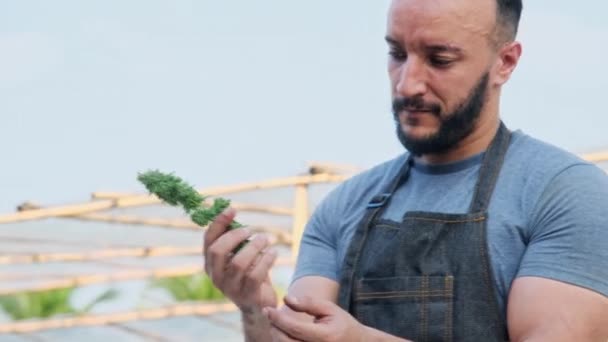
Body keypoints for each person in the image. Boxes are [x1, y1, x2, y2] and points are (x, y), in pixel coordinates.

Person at [203, 0, 608, 340]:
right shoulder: (343, 207)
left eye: (440, 59)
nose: (407, 84)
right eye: (397, 54)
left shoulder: (565, 195)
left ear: (504, 62)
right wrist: (255, 307)